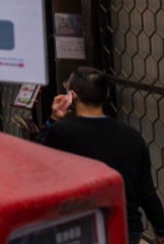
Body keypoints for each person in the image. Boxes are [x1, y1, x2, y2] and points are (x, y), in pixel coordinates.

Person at [38, 67, 164, 244]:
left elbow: (34, 158)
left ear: (72, 96)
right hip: (125, 225)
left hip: (80, 224)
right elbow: (146, 192)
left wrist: (53, 119)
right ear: (106, 95)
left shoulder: (60, 133)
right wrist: (160, 228)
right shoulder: (133, 137)